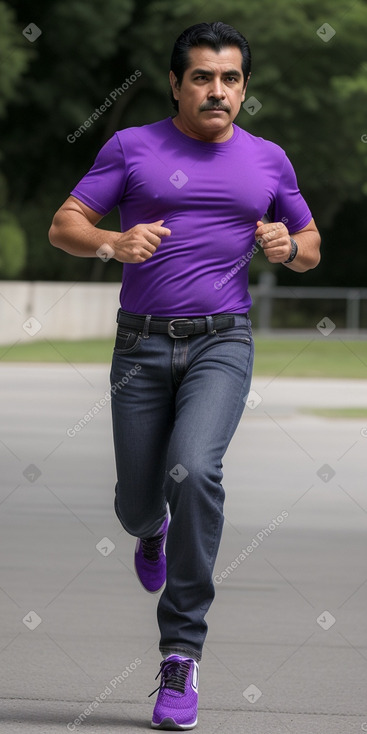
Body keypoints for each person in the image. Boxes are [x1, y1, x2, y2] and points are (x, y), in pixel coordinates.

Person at [49, 21, 321, 730]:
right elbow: (64, 223)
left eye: (230, 78)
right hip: (138, 349)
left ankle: (180, 653)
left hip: (220, 344)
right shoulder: (132, 147)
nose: (217, 89)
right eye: (202, 76)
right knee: (139, 505)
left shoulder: (267, 161)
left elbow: (311, 245)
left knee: (194, 471)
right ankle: (148, 531)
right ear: (175, 84)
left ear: (244, 87)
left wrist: (287, 246)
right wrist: (113, 241)